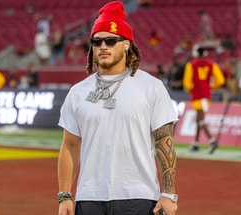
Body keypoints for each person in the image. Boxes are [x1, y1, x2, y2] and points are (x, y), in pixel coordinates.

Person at [57, 2, 179, 215]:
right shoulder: (77, 93)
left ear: (126, 45)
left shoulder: (151, 87)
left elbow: (164, 141)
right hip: (89, 198)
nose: (103, 46)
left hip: (138, 196)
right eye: (96, 42)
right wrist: (65, 196)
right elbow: (69, 146)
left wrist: (168, 194)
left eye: (111, 40)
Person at [183, 46, 225, 154]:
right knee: (199, 118)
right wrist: (211, 87)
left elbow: (187, 84)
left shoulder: (191, 64)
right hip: (206, 95)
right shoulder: (212, 64)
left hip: (197, 95)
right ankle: (196, 143)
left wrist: (191, 89)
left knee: (201, 120)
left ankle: (212, 141)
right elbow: (220, 80)